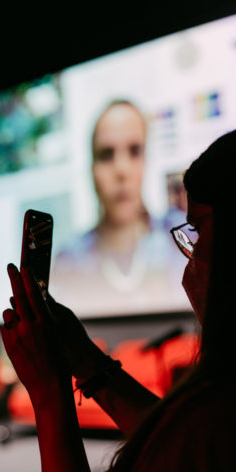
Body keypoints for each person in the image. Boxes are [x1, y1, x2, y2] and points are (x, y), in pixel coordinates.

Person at [1, 118, 236, 472]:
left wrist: (50, 392)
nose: (189, 266)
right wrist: (88, 363)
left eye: (198, 231)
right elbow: (171, 444)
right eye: (106, 154)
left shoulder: (213, 423)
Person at [50, 99, 187, 318]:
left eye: (134, 151)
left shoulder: (180, 240)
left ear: (146, 161)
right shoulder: (69, 260)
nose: (121, 170)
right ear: (91, 169)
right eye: (106, 154)